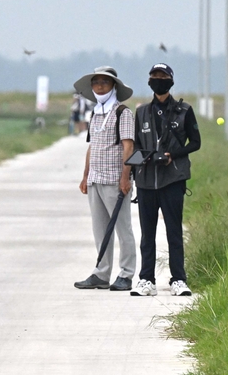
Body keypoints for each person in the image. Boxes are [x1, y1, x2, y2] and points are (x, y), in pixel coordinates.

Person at [130, 63, 201, 296]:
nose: (158, 80)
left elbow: (196, 142)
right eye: (154, 76)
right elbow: (136, 145)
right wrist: (142, 163)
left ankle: (178, 279)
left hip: (173, 179)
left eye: (162, 76)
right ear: (149, 81)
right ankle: (146, 279)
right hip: (146, 182)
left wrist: (173, 155)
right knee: (147, 233)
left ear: (170, 80)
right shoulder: (141, 112)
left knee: (174, 232)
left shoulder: (184, 110)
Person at [73, 66, 136, 291]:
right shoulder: (95, 113)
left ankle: (126, 274)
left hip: (114, 179)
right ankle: (101, 273)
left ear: (114, 87)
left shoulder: (123, 113)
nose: (100, 86)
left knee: (122, 228)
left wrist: (125, 177)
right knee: (100, 230)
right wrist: (85, 175)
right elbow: (93, 145)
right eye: (96, 82)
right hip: (95, 179)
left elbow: (128, 146)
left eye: (105, 82)